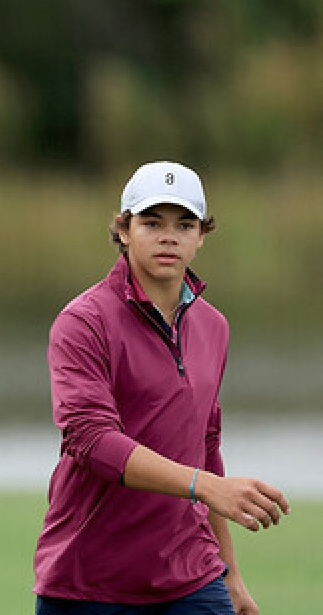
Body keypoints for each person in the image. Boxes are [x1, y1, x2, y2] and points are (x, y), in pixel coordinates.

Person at [33, 161, 291, 614]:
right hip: (89, 582)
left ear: (201, 237)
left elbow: (205, 446)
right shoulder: (83, 321)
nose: (168, 236)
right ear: (124, 230)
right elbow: (91, 440)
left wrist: (229, 574)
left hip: (190, 576)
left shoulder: (214, 327)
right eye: (152, 222)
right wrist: (205, 486)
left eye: (184, 224)